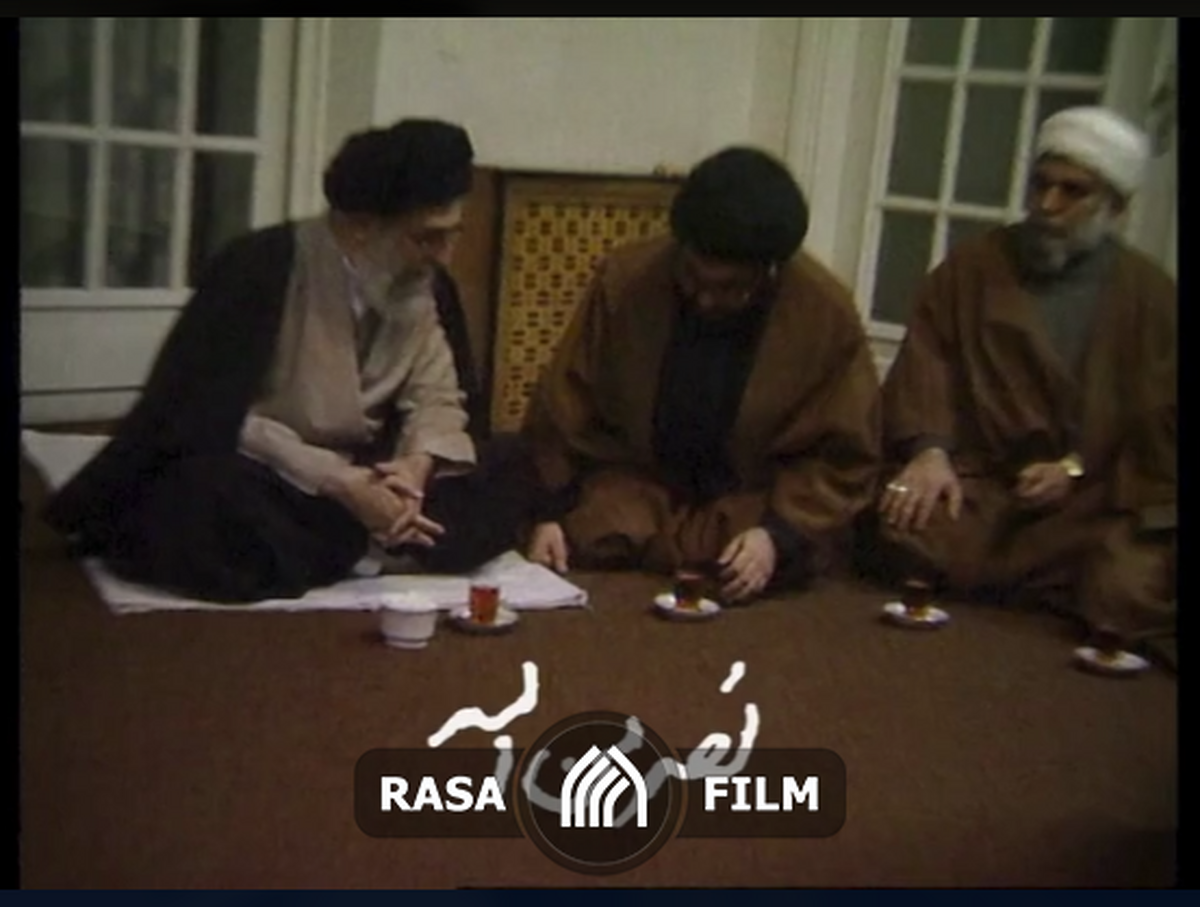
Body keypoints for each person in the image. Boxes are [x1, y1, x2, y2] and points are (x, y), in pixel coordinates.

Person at [43, 118, 532, 603]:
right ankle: (372, 545)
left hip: (377, 469)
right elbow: (213, 415)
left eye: (452, 235)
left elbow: (438, 397)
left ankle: (360, 540)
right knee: (198, 498)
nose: (445, 255)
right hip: (275, 470)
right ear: (360, 227)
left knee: (508, 468)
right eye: (427, 238)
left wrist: (414, 469)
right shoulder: (260, 266)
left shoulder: (427, 282)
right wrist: (337, 481)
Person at [863, 106, 1177, 668]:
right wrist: (930, 453)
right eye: (1040, 184)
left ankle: (1050, 583)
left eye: (1072, 192)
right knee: (904, 524)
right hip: (992, 484)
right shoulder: (973, 267)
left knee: (1126, 589)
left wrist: (1073, 468)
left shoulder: (1150, 296)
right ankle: (1046, 587)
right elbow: (929, 361)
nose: (1047, 205)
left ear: (1116, 207)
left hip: (1094, 496)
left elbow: (1155, 424)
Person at [522, 146, 882, 603]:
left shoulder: (825, 312)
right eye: (693, 278)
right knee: (594, 523)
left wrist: (777, 534)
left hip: (751, 498)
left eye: (729, 288)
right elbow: (564, 410)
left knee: (764, 554)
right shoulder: (627, 280)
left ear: (770, 272)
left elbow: (845, 459)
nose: (706, 300)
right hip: (639, 484)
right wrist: (549, 512)